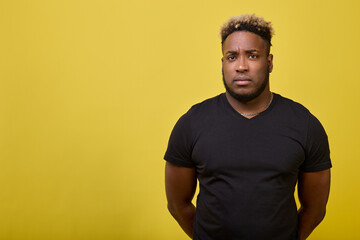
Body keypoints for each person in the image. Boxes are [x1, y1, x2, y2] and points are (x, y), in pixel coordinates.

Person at [164, 14, 331, 240]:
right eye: (232, 57)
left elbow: (315, 209)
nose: (241, 66)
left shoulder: (305, 125)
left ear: (269, 62)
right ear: (223, 63)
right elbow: (177, 205)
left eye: (252, 56)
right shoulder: (191, 123)